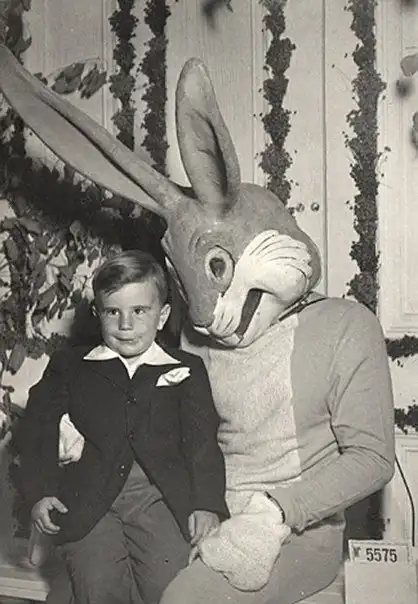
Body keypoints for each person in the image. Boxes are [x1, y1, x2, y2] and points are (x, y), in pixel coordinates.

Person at [16, 250, 229, 604]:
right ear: (97, 313)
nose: (125, 325)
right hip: (88, 499)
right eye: (113, 312)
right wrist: (41, 491)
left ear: (162, 316)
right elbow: (39, 426)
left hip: (159, 498)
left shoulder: (187, 368)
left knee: (171, 588)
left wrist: (207, 504)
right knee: (98, 586)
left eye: (139, 311)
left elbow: (202, 442)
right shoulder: (71, 365)